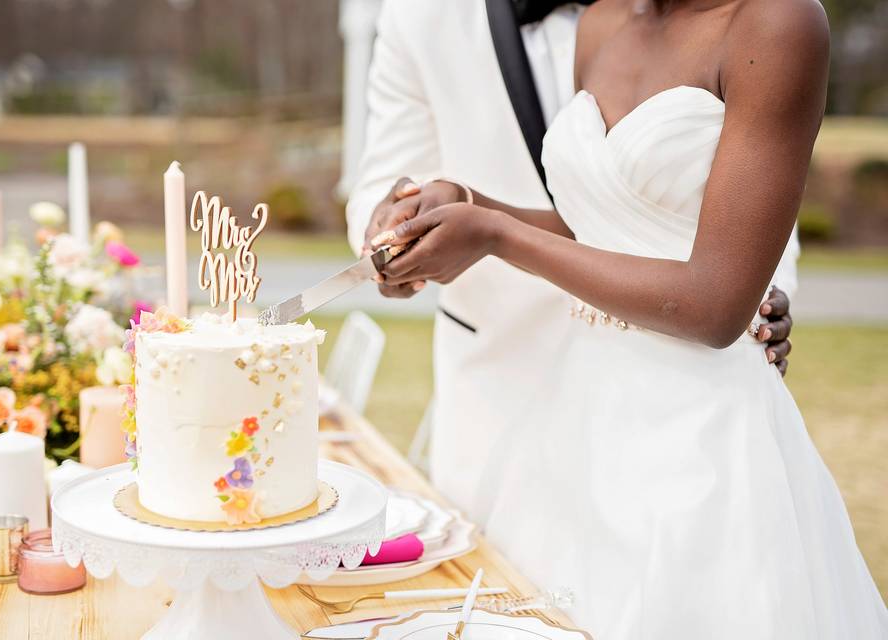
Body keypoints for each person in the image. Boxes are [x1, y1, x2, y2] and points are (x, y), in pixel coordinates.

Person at [367, 0, 888, 637]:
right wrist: (467, 203)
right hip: (573, 413)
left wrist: (497, 234)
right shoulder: (603, 22)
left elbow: (717, 303)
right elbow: (598, 230)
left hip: (697, 431)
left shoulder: (777, 23)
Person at [346, 0, 796, 523]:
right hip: (506, 377)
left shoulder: (767, 24)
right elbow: (591, 218)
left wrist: (762, 297)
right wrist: (409, 223)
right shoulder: (429, 15)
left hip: (691, 402)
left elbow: (750, 212)